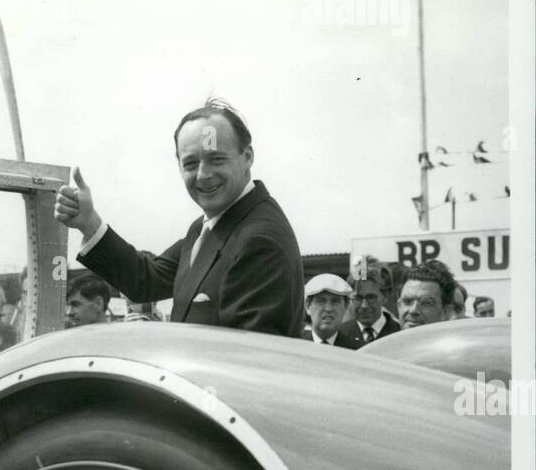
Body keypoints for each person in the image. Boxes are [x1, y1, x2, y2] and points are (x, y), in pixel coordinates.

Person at [55, 96, 304, 337]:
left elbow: (248, 363)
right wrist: (89, 223)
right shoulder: (212, 226)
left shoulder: (259, 239)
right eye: (191, 164)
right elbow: (147, 280)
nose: (203, 174)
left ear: (247, 157)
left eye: (216, 159)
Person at [342, 268, 401, 346]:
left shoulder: (400, 333)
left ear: (385, 296)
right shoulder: (339, 335)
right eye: (358, 298)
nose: (364, 306)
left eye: (371, 298)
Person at [300, 274, 355, 347]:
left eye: (335, 301)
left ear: (345, 307)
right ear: (308, 306)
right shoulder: (295, 348)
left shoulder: (358, 351)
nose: (328, 309)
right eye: (321, 301)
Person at [397, 264, 455, 329]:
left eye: (426, 303)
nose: (413, 311)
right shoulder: (385, 339)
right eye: (407, 301)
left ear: (446, 312)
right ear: (399, 306)